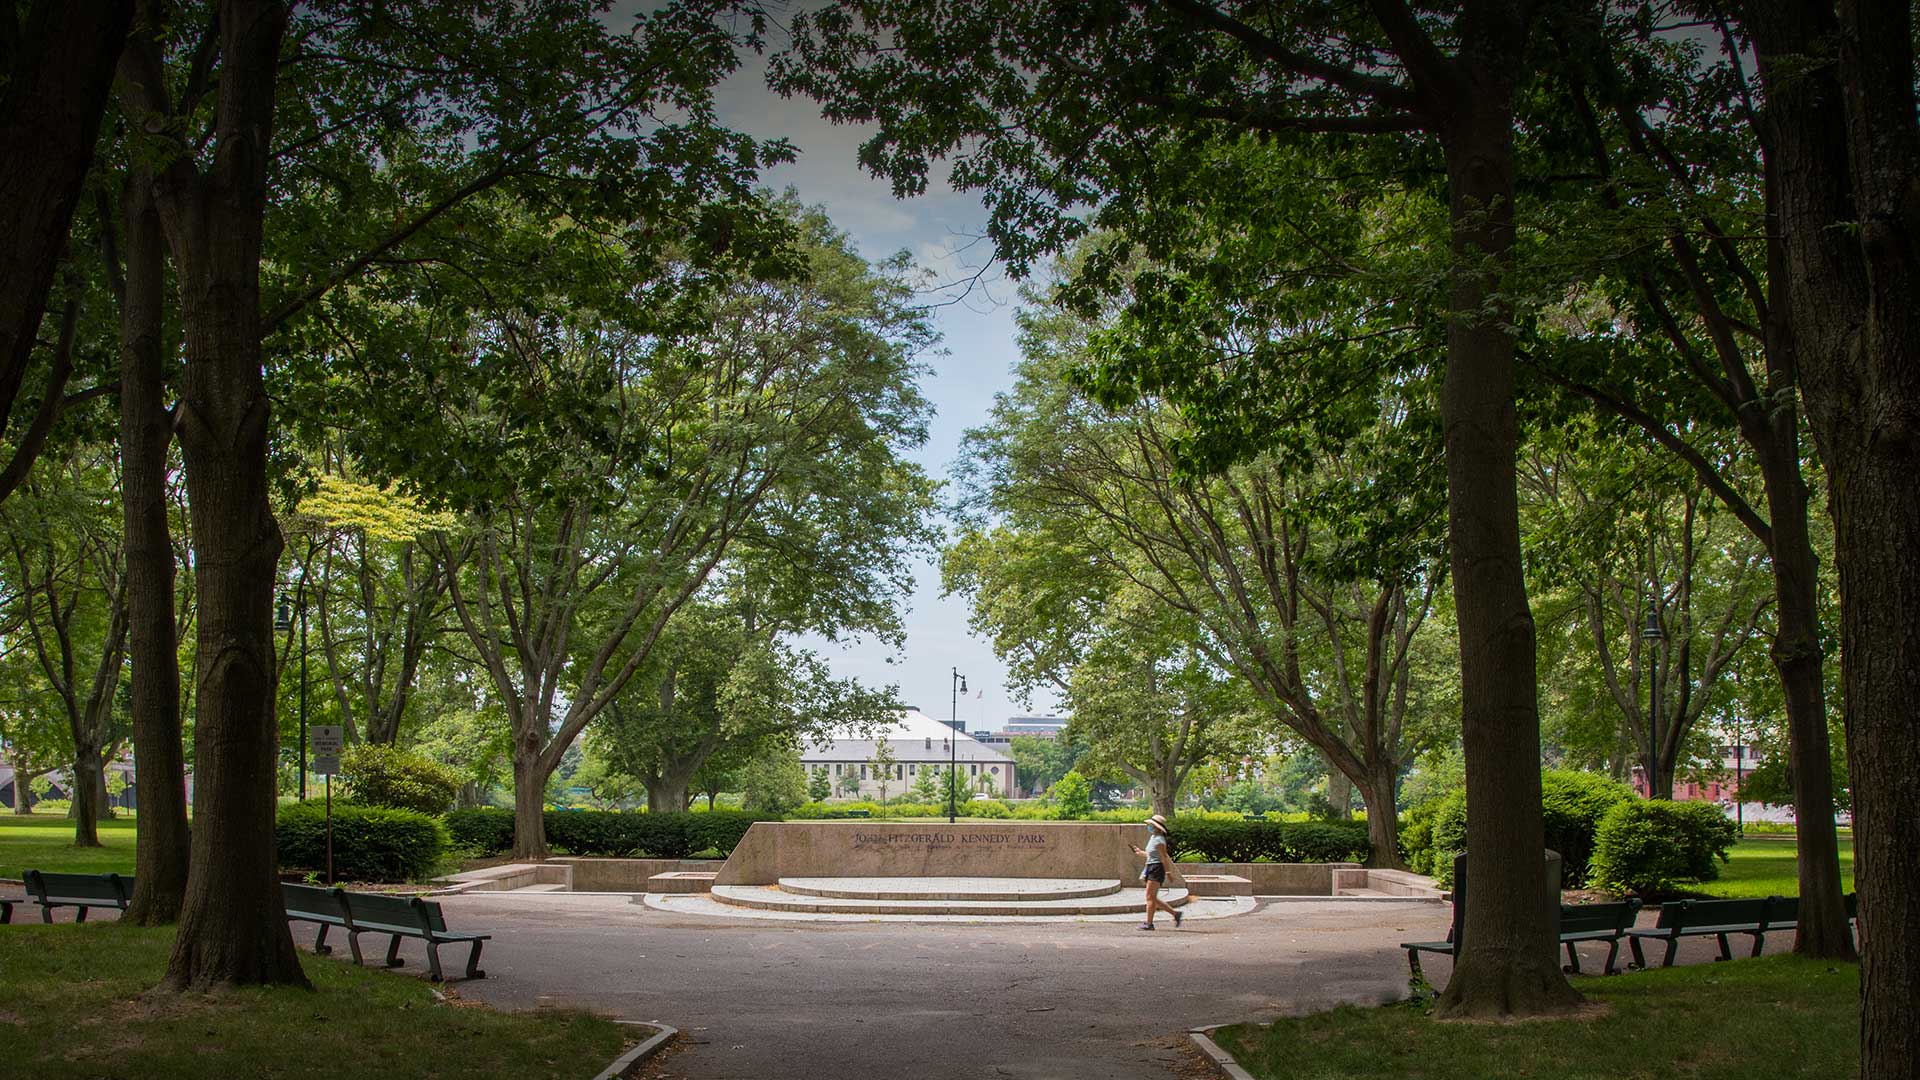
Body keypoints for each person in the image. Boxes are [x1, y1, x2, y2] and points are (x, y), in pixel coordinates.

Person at [1130, 813, 1182, 930]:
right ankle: (1175, 914)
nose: (1149, 826)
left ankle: (1149, 923)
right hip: (1151, 867)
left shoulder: (1159, 840)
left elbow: (1163, 857)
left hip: (1156, 869)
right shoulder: (1153, 837)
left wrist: (1168, 873)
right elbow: (1150, 855)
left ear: (1157, 827)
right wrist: (1140, 852)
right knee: (1152, 897)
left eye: (1151, 825)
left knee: (1150, 897)